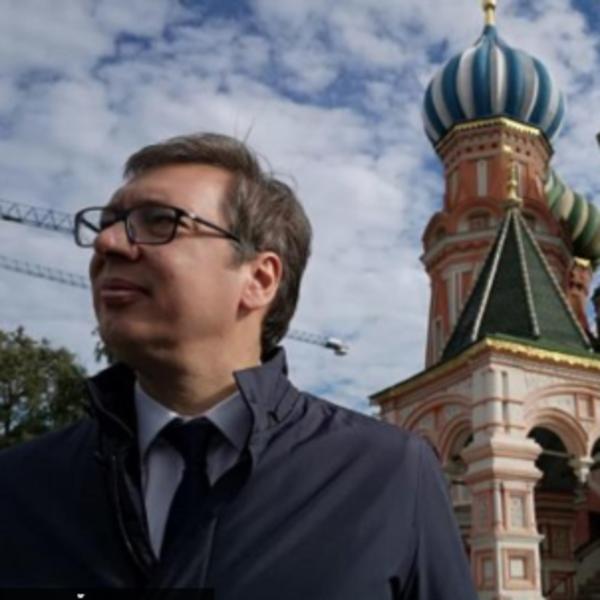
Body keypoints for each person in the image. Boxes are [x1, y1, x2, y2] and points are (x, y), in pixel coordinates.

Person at [0, 133, 477, 599]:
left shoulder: (386, 473)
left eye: (159, 221)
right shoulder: (22, 485)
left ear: (259, 279)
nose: (107, 243)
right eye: (107, 224)